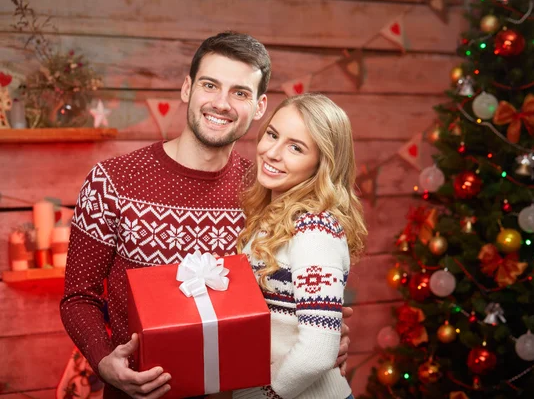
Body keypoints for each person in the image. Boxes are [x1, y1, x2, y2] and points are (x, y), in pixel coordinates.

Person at [60, 32, 352, 399]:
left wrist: (324, 335)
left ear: (260, 107)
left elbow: (295, 295)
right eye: (210, 85)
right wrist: (104, 362)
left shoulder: (267, 191)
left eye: (240, 93)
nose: (222, 103)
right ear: (187, 88)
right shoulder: (113, 180)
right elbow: (78, 297)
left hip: (234, 392)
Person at [234, 93, 367, 399]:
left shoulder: (314, 230)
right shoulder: (269, 218)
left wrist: (264, 397)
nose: (272, 152)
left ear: (322, 164)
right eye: (272, 134)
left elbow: (318, 350)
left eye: (296, 147)